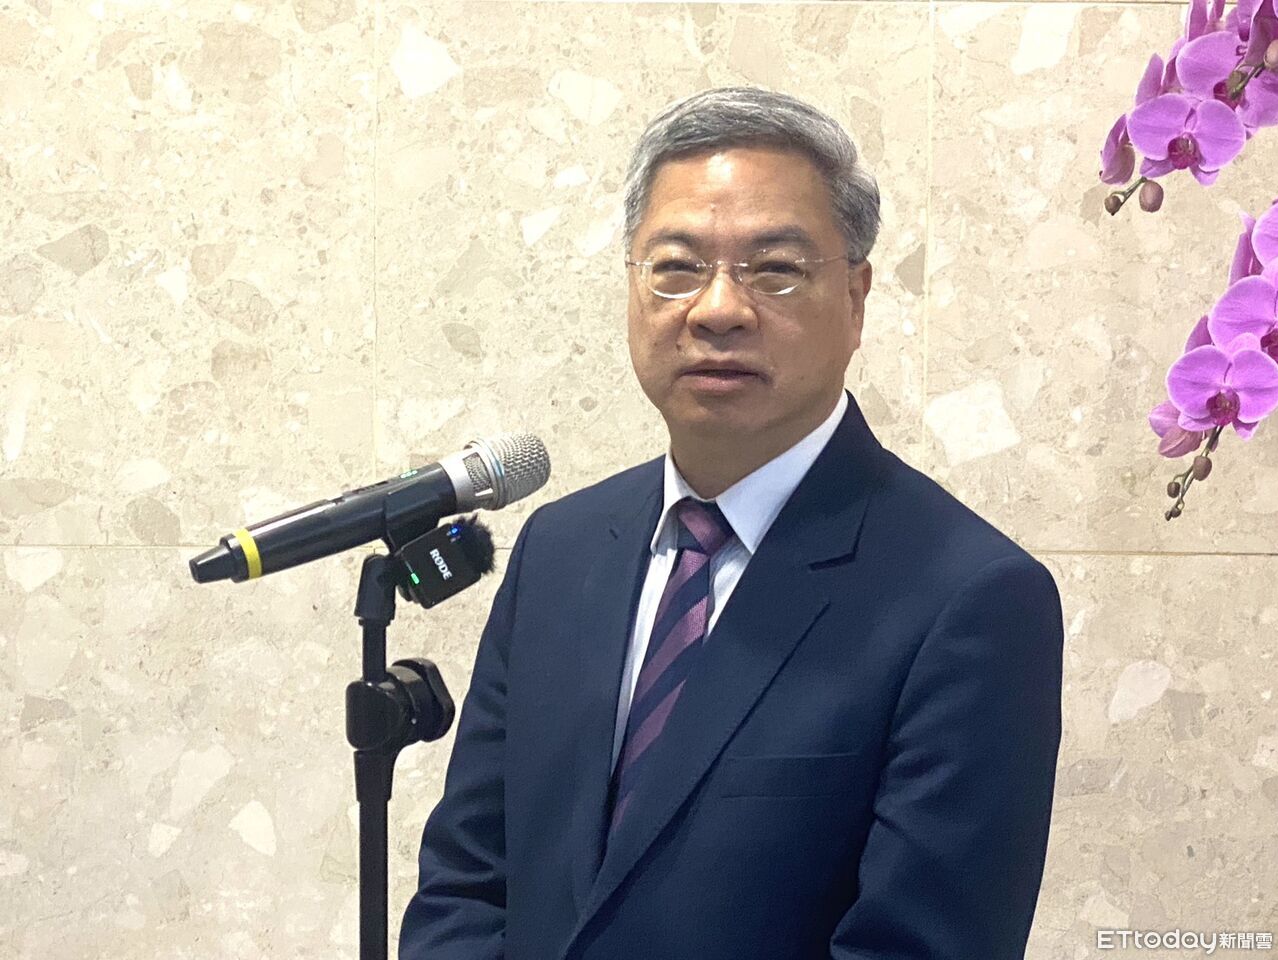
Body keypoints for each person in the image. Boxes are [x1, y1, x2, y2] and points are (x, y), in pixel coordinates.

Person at [398, 86, 1064, 960]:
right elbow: (467, 883)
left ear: (856, 298)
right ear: (632, 288)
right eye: (676, 267)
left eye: (774, 269)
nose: (717, 309)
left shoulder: (971, 599)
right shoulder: (560, 550)